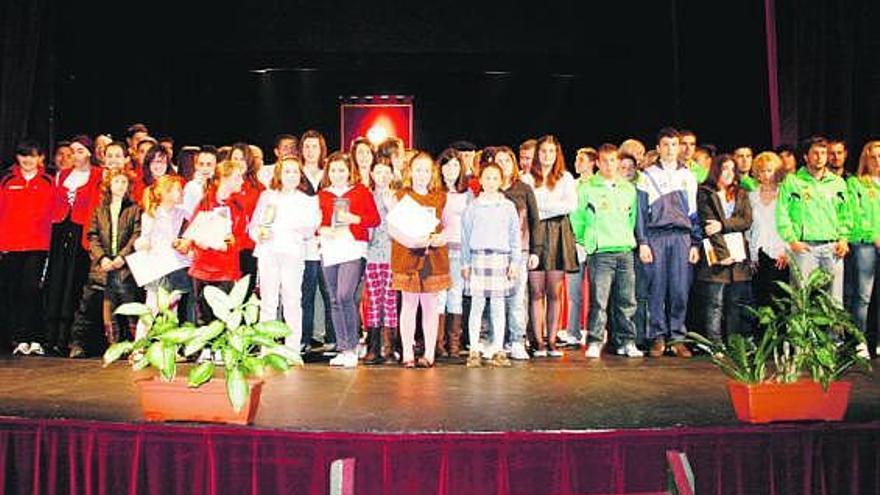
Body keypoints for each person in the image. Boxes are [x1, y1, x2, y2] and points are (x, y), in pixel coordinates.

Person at [570, 144, 642, 358]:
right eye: (605, 161)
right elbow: (577, 218)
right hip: (600, 252)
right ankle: (595, 340)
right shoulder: (587, 188)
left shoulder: (628, 188)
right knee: (599, 301)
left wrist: (626, 239)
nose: (610, 165)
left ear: (618, 162)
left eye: (613, 161)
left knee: (627, 300)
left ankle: (626, 341)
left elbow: (632, 219)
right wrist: (586, 240)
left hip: (624, 250)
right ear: (598, 163)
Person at [635, 128, 700, 358]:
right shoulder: (646, 175)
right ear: (659, 148)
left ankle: (678, 338)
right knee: (657, 288)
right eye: (666, 145)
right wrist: (642, 242)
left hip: (682, 237)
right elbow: (641, 213)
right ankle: (657, 337)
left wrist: (695, 243)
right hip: (656, 237)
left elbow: (694, 213)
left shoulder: (688, 175)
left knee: (680, 289)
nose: (671, 149)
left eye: (675, 145)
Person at [249, 157, 320, 355]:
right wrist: (259, 234)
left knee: (292, 299)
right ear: (279, 173)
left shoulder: (306, 201)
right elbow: (253, 226)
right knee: (269, 301)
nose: (291, 176)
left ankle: (292, 348)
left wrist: (290, 228)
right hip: (268, 252)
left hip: (292, 254)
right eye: (287, 171)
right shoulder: (267, 196)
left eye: (295, 172)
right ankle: (266, 347)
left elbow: (310, 229)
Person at [68, 169, 142, 358]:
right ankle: (82, 344)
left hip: (124, 268)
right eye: (116, 181)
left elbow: (137, 235)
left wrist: (122, 257)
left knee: (129, 307)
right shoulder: (99, 209)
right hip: (102, 267)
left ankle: (136, 346)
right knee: (93, 307)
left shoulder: (134, 209)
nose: (120, 186)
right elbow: (92, 236)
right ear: (109, 184)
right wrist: (102, 258)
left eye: (124, 182)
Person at [317, 152, 380, 367]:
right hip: (330, 248)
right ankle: (343, 348)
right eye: (333, 170)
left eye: (341, 170)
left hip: (353, 247)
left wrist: (355, 219)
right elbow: (317, 223)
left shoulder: (361, 191)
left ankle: (353, 346)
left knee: (345, 295)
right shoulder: (323, 195)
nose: (337, 174)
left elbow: (374, 219)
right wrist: (323, 230)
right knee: (334, 298)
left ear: (349, 171)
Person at [390, 151, 451, 368]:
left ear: (432, 173)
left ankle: (429, 353)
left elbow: (448, 227)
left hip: (433, 258)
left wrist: (440, 238)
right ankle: (407, 353)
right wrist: (412, 240)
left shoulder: (440, 196)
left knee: (430, 306)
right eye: (418, 169)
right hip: (408, 256)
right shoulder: (400, 196)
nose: (422, 174)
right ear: (410, 172)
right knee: (408, 304)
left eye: (426, 170)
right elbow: (393, 228)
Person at [45, 136, 104, 356]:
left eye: (79, 151)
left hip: (82, 230)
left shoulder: (98, 175)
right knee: (57, 281)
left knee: (74, 284)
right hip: (62, 230)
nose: (74, 156)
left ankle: (68, 338)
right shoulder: (63, 175)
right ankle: (51, 336)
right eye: (72, 151)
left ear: (89, 153)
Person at [776, 137, 850, 303]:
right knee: (801, 301)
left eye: (823, 153)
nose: (820, 157)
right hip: (804, 249)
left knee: (834, 302)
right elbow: (782, 214)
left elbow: (846, 214)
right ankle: (800, 331)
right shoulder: (793, 181)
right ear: (805, 157)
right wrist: (792, 240)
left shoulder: (838, 183)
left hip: (832, 248)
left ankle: (833, 331)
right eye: (815, 153)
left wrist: (844, 239)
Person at [461, 163, 521, 367]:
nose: (491, 182)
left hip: (500, 259)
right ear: (480, 180)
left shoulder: (508, 207)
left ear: (501, 181)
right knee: (476, 306)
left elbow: (515, 237)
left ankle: (498, 349)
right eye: (487, 177)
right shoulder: (473, 207)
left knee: (498, 306)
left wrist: (515, 261)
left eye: (495, 178)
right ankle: (474, 350)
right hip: (478, 258)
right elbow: (465, 237)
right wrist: (465, 263)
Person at [0, 141, 56, 355]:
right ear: (17, 157)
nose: (28, 160)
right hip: (10, 246)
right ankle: (19, 339)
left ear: (40, 158)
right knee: (13, 292)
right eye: (23, 156)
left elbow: (54, 214)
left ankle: (35, 338)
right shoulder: (7, 180)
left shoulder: (49, 182)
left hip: (38, 246)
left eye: (32, 156)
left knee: (32, 291)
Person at [695, 154, 754, 345]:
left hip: (738, 257)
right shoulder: (705, 192)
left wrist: (723, 224)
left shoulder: (742, 193)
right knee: (714, 303)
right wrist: (723, 254)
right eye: (724, 168)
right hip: (716, 255)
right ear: (716, 170)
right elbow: (708, 225)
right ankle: (714, 343)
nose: (729, 173)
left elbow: (746, 221)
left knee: (735, 302)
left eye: (732, 169)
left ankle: (734, 341)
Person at [528, 135, 579, 357]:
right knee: (536, 291)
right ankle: (538, 341)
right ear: (537, 154)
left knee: (554, 292)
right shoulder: (528, 178)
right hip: (535, 235)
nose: (547, 156)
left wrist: (544, 207)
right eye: (543, 151)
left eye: (551, 151)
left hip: (559, 234)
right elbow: (532, 208)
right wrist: (551, 206)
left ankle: (552, 340)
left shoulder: (566, 177)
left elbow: (570, 205)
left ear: (557, 154)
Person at [188, 160, 247, 326]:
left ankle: (221, 351)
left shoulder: (238, 206)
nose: (242, 181)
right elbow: (194, 231)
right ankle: (206, 351)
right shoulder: (204, 203)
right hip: (203, 268)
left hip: (226, 269)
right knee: (204, 316)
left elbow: (242, 237)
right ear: (224, 179)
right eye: (237, 177)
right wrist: (198, 242)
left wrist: (231, 243)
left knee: (225, 315)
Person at [496, 146, 542, 360]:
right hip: (494, 252)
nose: (503, 164)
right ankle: (497, 340)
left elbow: (535, 221)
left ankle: (517, 340)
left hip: (520, 251)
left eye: (507, 160)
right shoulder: (490, 190)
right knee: (496, 298)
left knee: (516, 298)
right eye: (499, 160)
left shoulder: (523, 188)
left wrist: (536, 250)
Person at [134, 175, 194, 336]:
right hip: (158, 266)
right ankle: (140, 345)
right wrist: (142, 245)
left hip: (177, 265)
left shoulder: (184, 214)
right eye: (178, 190)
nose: (182, 193)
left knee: (173, 306)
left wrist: (184, 244)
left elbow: (189, 236)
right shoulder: (152, 214)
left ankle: (169, 347)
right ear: (166, 193)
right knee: (152, 306)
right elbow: (144, 238)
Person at [299, 130, 335, 352]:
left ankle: (333, 338)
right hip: (303, 246)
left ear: (322, 149)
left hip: (328, 244)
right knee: (306, 293)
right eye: (307, 146)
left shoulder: (329, 174)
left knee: (331, 293)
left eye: (315, 146)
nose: (311, 151)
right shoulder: (296, 174)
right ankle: (304, 338)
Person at [844, 141, 880, 357]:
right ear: (865, 159)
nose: (877, 161)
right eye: (873, 157)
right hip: (865, 244)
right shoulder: (856, 184)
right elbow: (855, 216)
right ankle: (860, 341)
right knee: (863, 295)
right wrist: (874, 236)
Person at [362, 158, 398, 364]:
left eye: (387, 172)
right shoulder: (366, 197)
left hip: (393, 255)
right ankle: (373, 347)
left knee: (390, 301)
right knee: (374, 300)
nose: (383, 177)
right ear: (372, 174)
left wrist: (391, 207)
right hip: (372, 254)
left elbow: (404, 224)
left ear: (392, 175)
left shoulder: (397, 197)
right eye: (379, 172)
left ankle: (390, 348)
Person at [435, 148, 470, 358]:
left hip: (460, 251)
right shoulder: (434, 192)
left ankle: (454, 345)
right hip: (438, 250)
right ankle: (438, 343)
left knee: (455, 296)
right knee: (439, 297)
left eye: (456, 165)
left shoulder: (468, 194)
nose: (451, 169)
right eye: (447, 165)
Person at [562, 147, 596, 347]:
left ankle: (595, 334)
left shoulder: (597, 185)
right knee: (574, 292)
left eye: (582, 159)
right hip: (573, 243)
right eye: (576, 159)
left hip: (595, 244)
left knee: (597, 293)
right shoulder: (572, 185)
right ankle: (573, 333)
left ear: (593, 163)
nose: (577, 163)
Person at [748, 152, 789, 309]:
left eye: (769, 170)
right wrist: (752, 256)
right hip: (758, 255)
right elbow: (749, 229)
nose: (766, 175)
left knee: (779, 301)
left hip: (780, 255)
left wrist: (787, 252)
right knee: (761, 300)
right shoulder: (751, 197)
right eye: (762, 171)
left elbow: (792, 225)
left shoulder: (785, 194)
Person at [183, 148, 217, 217]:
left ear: (215, 166)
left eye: (209, 164)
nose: (205, 168)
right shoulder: (190, 186)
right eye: (201, 164)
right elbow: (186, 212)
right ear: (196, 166)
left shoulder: (219, 186)